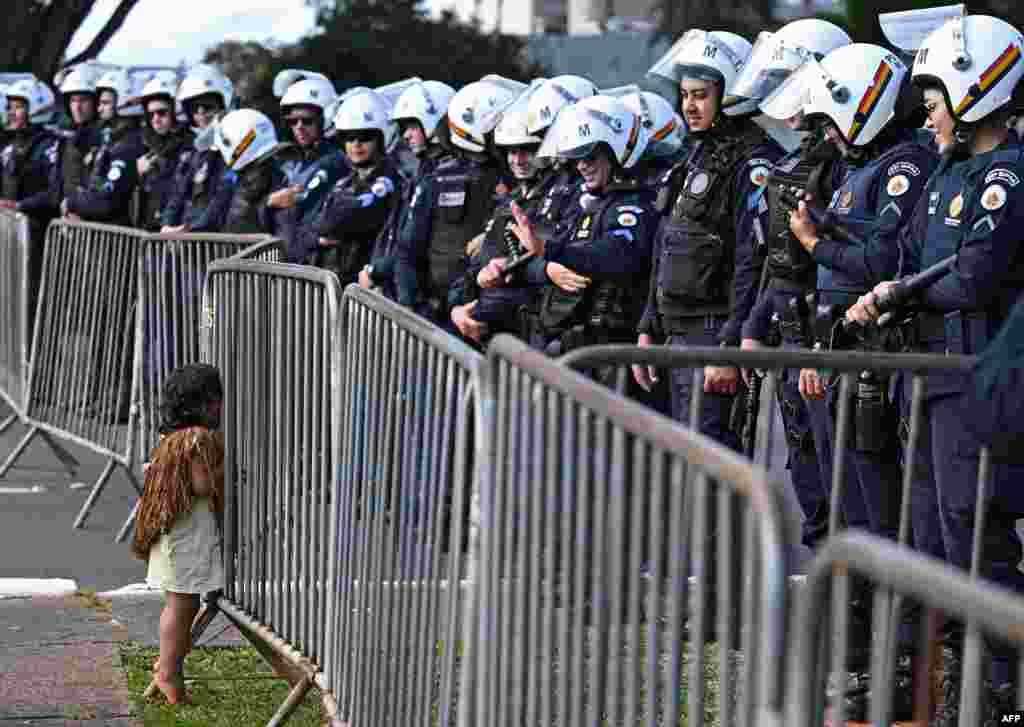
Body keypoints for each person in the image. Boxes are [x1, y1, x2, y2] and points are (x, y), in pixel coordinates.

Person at [846, 14, 1024, 723]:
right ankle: (964, 686)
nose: (928, 107)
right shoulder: (948, 169)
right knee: (933, 541)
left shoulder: (1006, 175)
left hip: (974, 379)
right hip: (928, 376)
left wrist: (897, 295)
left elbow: (975, 275)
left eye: (938, 92)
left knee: (975, 537)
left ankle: (1007, 691)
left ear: (978, 89)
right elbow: (906, 254)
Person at [785, 41, 939, 721]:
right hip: (842, 352)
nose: (831, 132)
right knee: (851, 516)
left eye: (837, 116)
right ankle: (868, 663)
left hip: (876, 361)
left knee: (884, 519)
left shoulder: (902, 164)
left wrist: (818, 241)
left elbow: (882, 255)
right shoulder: (861, 166)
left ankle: (903, 668)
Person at [637, 29, 784, 451]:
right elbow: (667, 242)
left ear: (730, 93)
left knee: (714, 464)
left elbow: (753, 258)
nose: (689, 106)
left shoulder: (755, 160)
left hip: (713, 333)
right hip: (679, 334)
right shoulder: (698, 153)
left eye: (700, 94)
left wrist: (730, 343)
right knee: (686, 465)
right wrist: (650, 323)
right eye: (685, 95)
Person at [737, 18, 852, 555]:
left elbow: (834, 269)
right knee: (808, 475)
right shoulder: (797, 161)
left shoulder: (841, 165)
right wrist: (755, 329)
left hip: (820, 342)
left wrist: (815, 348)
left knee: (843, 486)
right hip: (790, 339)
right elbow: (776, 261)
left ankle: (864, 620)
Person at [511, 94, 656, 362]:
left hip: (610, 352)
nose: (581, 165)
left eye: (589, 155)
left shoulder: (635, 204)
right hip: (567, 344)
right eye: (577, 157)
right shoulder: (583, 203)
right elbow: (526, 265)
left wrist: (548, 250)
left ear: (616, 152)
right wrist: (546, 266)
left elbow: (614, 255)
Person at [131, 363, 224, 706]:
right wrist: (224, 470)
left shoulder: (171, 438)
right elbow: (200, 484)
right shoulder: (196, 439)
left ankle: (166, 664)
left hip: (176, 537)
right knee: (182, 603)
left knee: (181, 604)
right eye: (216, 400)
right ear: (202, 404)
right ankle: (169, 672)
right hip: (184, 538)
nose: (220, 407)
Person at [393, 80, 511, 325]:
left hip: (493, 313)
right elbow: (408, 250)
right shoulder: (439, 178)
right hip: (440, 316)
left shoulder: (518, 178)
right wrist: (412, 309)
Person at [300, 89, 403, 284]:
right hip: (333, 286)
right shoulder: (343, 183)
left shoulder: (389, 182)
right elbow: (305, 226)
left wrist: (324, 226)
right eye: (349, 137)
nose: (356, 144)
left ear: (381, 138)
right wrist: (317, 238)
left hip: (362, 288)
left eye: (364, 136)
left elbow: (336, 220)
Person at [63, 68, 146, 226]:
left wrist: (71, 203)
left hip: (117, 238)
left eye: (105, 103)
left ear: (123, 103)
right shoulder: (109, 141)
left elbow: (106, 200)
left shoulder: (127, 145)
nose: (99, 108)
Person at [160, 64, 234, 234]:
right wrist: (166, 225)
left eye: (207, 107)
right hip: (187, 241)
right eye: (194, 109)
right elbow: (178, 193)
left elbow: (222, 199)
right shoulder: (196, 151)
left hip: (211, 241)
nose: (201, 115)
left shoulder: (232, 149)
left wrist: (190, 230)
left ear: (222, 106)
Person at [213, 109, 294, 235]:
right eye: (264, 162)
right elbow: (234, 223)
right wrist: (267, 203)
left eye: (274, 156)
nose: (274, 165)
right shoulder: (231, 189)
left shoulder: (281, 182)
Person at [135, 77, 194, 231]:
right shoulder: (148, 145)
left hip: (176, 232)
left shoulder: (191, 146)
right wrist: (140, 175)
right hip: (150, 229)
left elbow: (181, 189)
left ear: (175, 111)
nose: (155, 119)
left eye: (161, 113)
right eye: (151, 114)